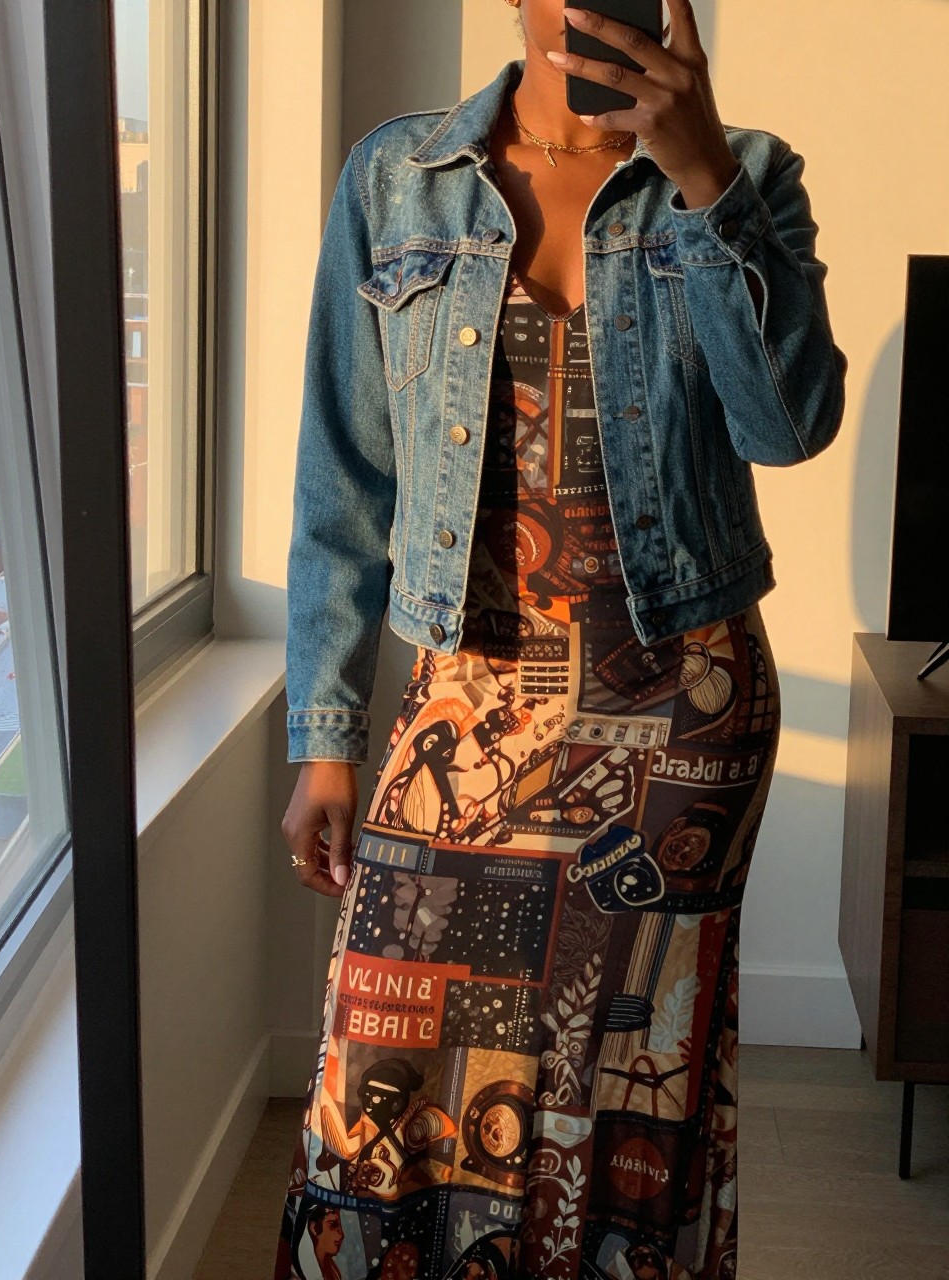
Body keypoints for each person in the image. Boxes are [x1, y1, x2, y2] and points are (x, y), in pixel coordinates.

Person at [274, 2, 846, 1277]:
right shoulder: (398, 177)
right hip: (464, 708)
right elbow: (344, 477)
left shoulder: (746, 173)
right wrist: (326, 733)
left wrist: (701, 178)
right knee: (386, 1085)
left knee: (621, 1086)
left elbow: (789, 423)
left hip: (677, 717)